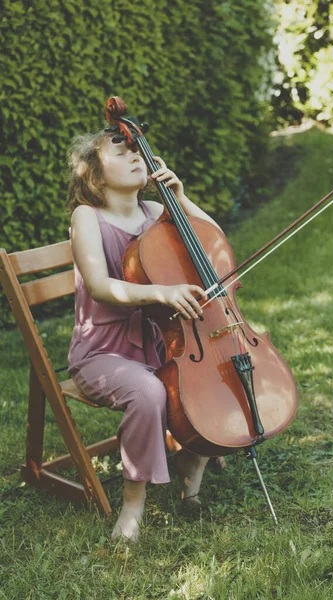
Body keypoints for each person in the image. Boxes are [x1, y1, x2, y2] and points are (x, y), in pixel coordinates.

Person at [66, 129, 223, 542]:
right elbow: (101, 286)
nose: (136, 155)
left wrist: (182, 199)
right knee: (150, 392)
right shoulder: (87, 216)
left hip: (160, 342)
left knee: (211, 378)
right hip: (102, 352)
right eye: (122, 151)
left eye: (137, 149)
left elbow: (215, 247)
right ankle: (133, 505)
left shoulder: (156, 210)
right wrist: (160, 292)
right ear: (95, 177)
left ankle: (194, 460)